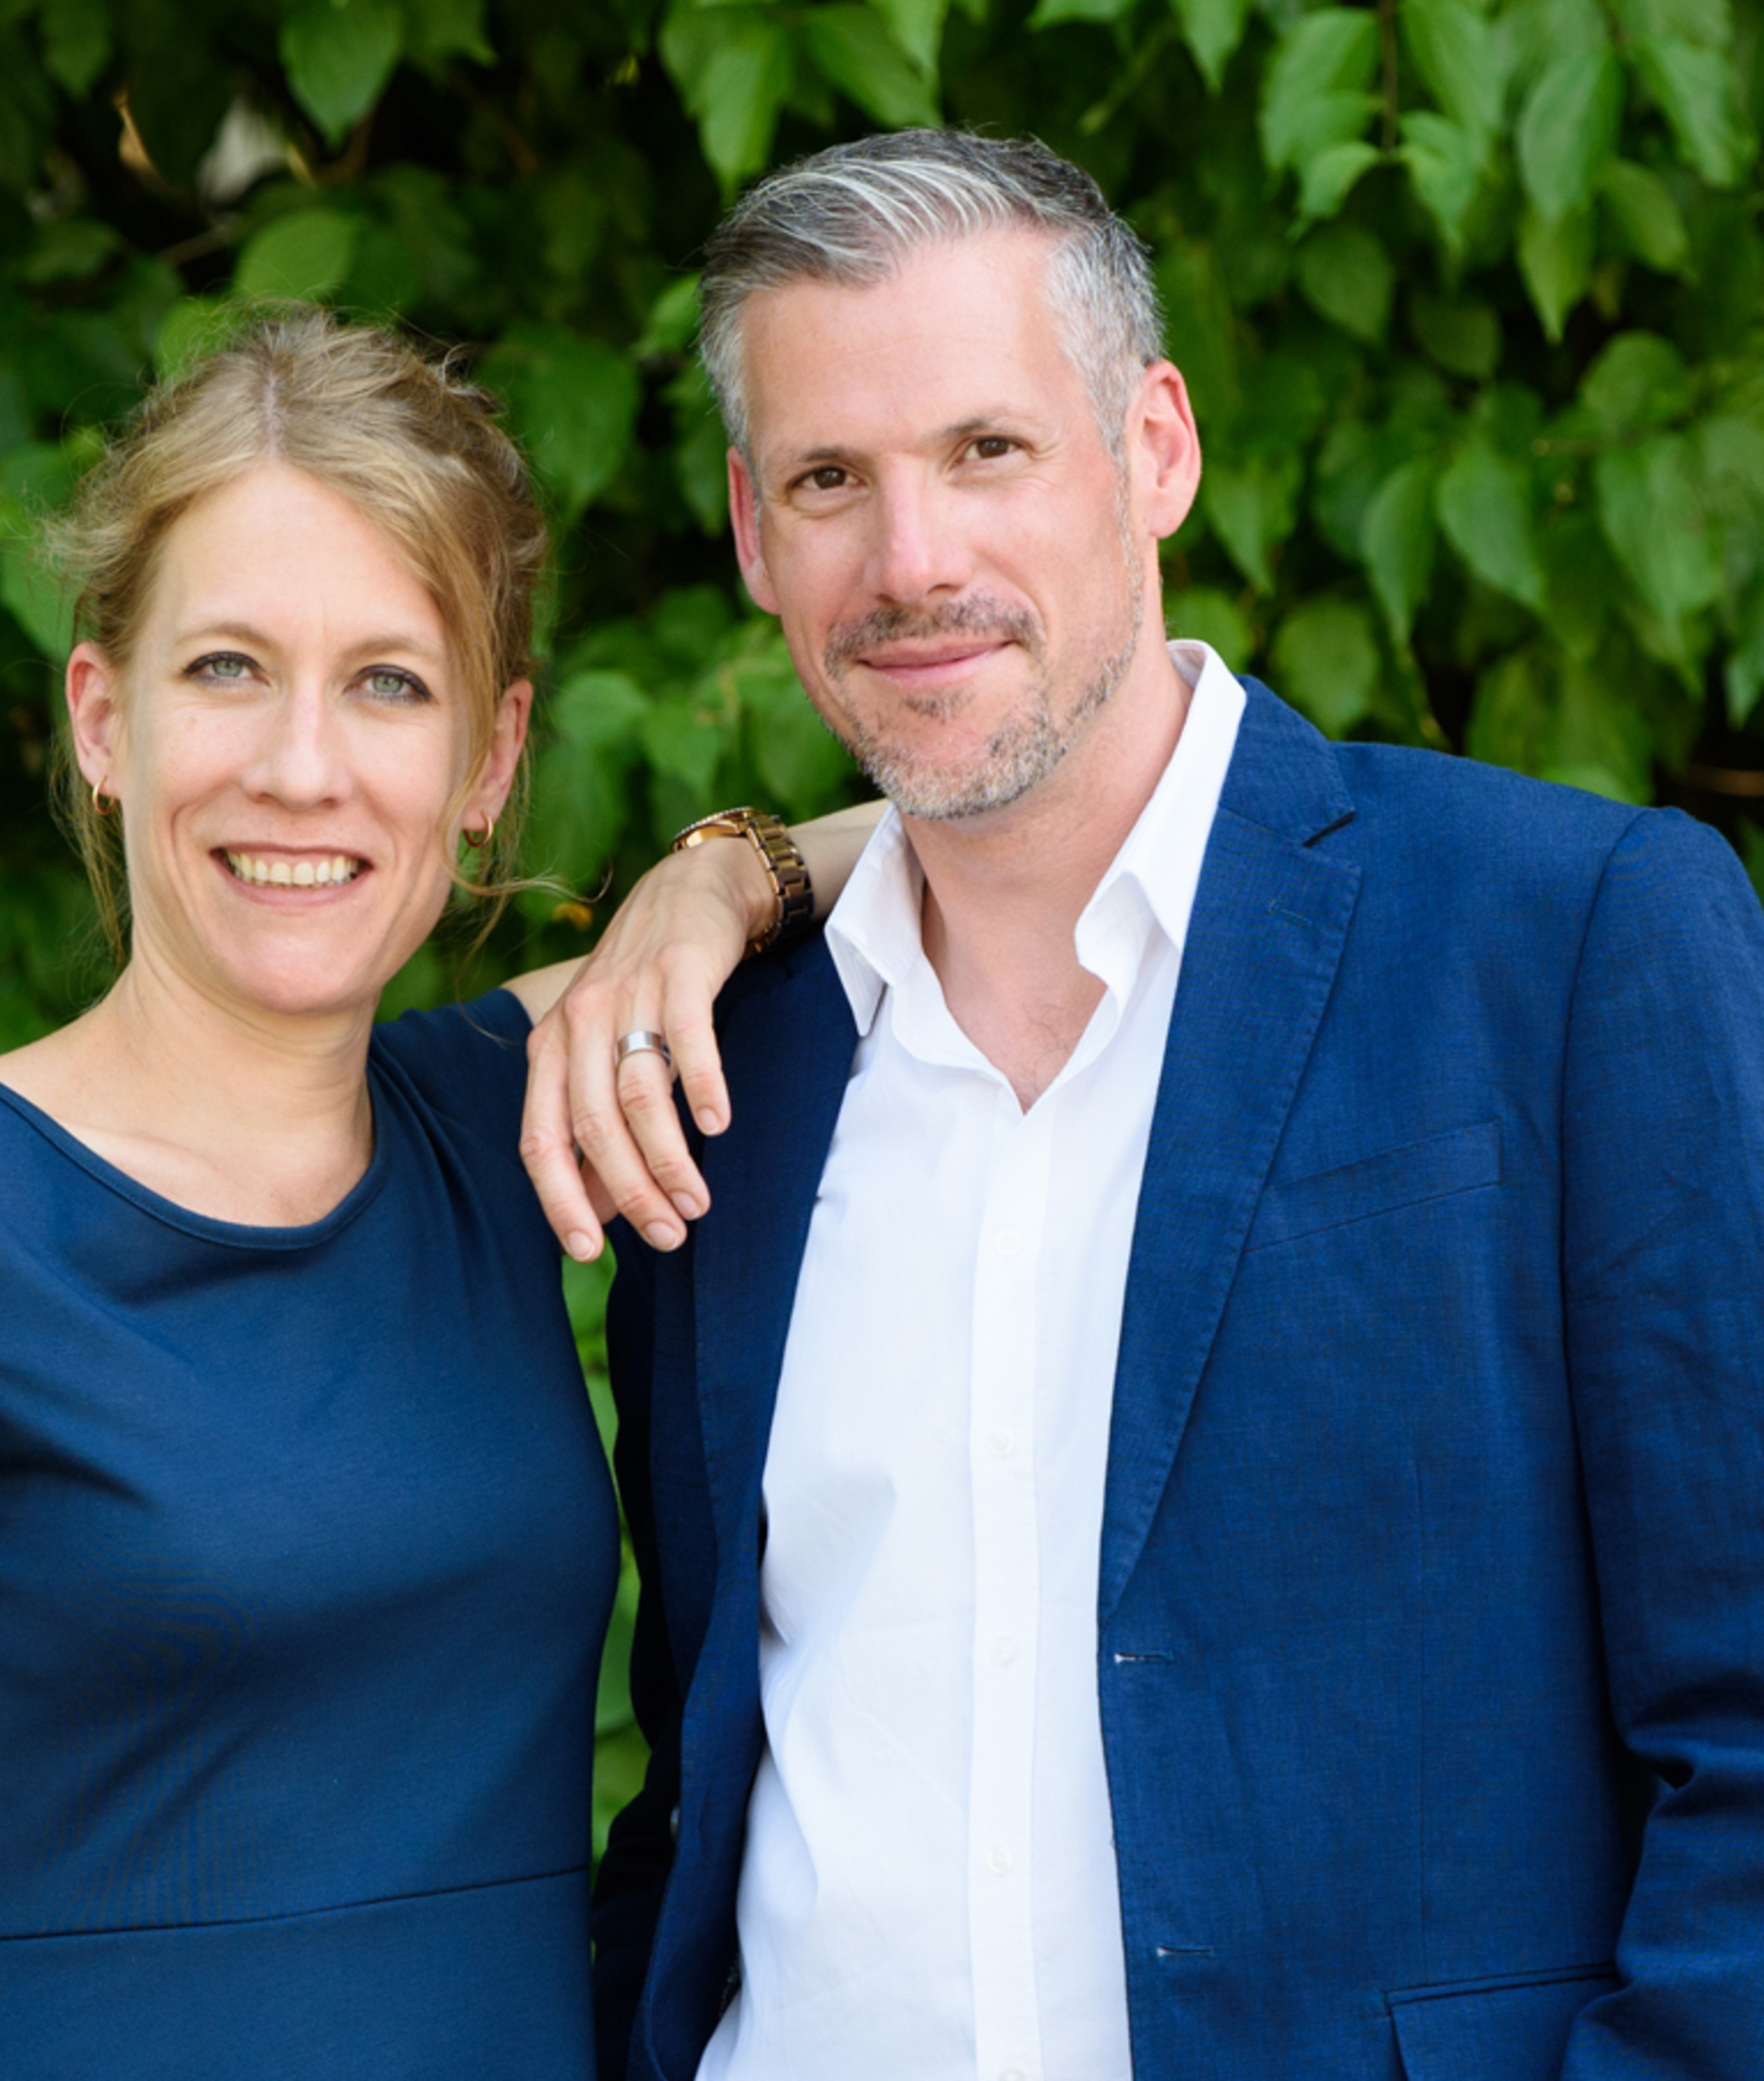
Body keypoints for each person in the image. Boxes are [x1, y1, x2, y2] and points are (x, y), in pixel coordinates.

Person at [524, 131, 1764, 2080]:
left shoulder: (1567, 942)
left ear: (1155, 449)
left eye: (987, 449)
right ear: (754, 536)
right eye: (832, 480)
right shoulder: (726, 1070)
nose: (912, 561)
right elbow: (705, 1787)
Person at [0, 311, 869, 2081]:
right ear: (104, 718)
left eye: (388, 682)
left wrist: (712, 885)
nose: (302, 767)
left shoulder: (505, 1111)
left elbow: (971, 834)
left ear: (489, 764)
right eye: (228, 668)